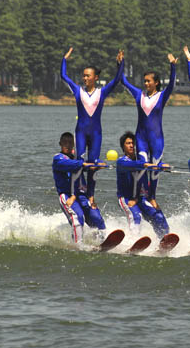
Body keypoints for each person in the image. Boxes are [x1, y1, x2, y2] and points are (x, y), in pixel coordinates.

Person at [60, 48, 124, 205]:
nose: (84, 78)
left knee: (93, 165)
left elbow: (116, 80)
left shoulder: (102, 92)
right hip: (81, 133)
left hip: (96, 134)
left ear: (96, 78)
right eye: (83, 75)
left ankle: (90, 195)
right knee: (79, 163)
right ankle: (75, 193)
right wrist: (64, 59)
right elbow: (63, 76)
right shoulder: (77, 91)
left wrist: (120, 64)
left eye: (88, 75)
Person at [120, 53, 177, 206]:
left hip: (157, 139)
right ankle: (136, 196)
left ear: (156, 82)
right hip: (141, 138)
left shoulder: (162, 95)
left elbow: (171, 84)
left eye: (148, 81)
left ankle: (152, 197)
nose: (145, 83)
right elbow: (124, 81)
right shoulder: (139, 94)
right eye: (144, 81)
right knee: (142, 166)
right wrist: (121, 63)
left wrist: (173, 66)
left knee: (155, 170)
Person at [52, 132, 107, 244]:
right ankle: (78, 246)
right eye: (65, 143)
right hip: (67, 196)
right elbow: (71, 164)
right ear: (60, 144)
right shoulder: (58, 159)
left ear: (73, 145)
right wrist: (83, 165)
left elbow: (88, 165)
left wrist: (98, 164)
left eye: (70, 143)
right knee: (78, 218)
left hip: (81, 196)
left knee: (97, 218)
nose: (67, 145)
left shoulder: (77, 160)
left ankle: (101, 242)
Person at [116, 131, 170, 240]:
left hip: (141, 198)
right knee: (137, 216)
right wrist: (143, 164)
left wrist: (161, 166)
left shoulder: (142, 160)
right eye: (128, 143)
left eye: (133, 143)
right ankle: (132, 241)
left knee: (158, 216)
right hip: (126, 198)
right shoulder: (121, 161)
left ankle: (164, 239)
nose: (131, 145)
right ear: (123, 146)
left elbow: (152, 164)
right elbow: (132, 165)